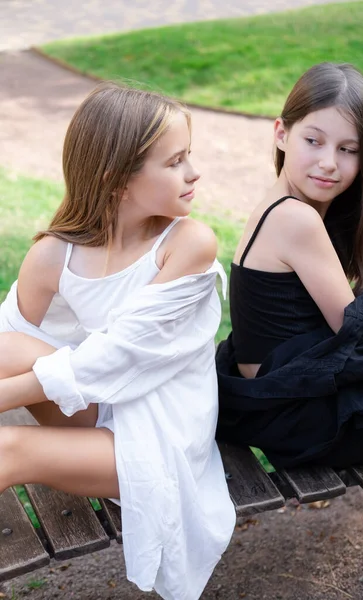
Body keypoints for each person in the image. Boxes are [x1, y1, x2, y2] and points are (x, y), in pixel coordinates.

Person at [0, 82, 235, 600]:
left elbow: (117, 358)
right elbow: (6, 337)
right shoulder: (55, 255)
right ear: (117, 179)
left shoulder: (187, 244)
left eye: (187, 156)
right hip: (106, 408)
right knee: (9, 347)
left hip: (159, 435)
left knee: (8, 446)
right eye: (175, 162)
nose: (193, 173)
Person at [216, 62, 363, 471]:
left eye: (347, 149)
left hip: (279, 400)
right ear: (281, 134)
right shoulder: (295, 219)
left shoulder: (281, 203)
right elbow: (357, 334)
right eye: (314, 141)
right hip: (299, 419)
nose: (329, 162)